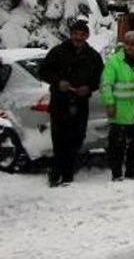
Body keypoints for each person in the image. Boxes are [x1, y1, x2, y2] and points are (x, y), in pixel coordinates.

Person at [39, 20, 103, 187]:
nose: (78, 37)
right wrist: (58, 82)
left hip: (81, 103)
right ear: (71, 34)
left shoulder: (93, 56)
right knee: (59, 139)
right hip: (60, 102)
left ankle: (68, 172)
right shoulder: (58, 52)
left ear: (87, 36)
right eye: (75, 33)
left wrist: (89, 87)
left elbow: (99, 78)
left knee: (77, 138)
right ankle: (56, 173)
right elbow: (43, 71)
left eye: (82, 34)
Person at [101, 30, 134, 181]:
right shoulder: (114, 62)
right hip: (120, 111)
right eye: (128, 44)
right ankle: (117, 173)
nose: (130, 47)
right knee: (117, 145)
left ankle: (131, 169)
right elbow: (106, 85)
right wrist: (109, 103)